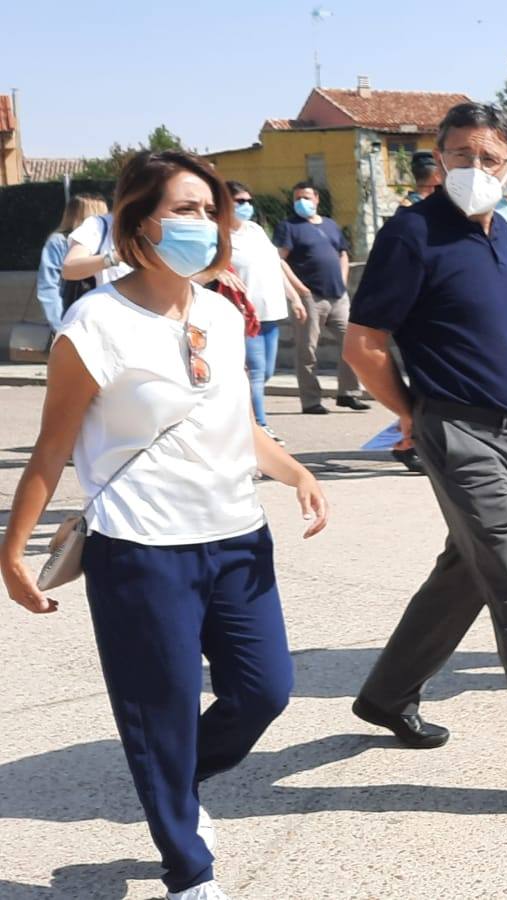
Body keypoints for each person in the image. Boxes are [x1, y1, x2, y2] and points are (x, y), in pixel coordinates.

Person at [1, 150, 329, 900]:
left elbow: (235, 422)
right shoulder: (95, 324)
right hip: (142, 550)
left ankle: (174, 784)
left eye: (210, 209)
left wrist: (298, 472)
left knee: (265, 691)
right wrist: (11, 551)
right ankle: (188, 869)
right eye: (184, 208)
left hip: (238, 538)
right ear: (137, 221)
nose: (204, 223)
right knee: (162, 711)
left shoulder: (217, 307)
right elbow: (52, 447)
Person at [342, 102, 507, 825]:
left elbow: (501, 344)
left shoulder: (498, 235)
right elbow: (363, 344)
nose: (470, 168)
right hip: (459, 433)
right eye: (457, 154)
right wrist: (411, 415)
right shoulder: (412, 234)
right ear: (437, 159)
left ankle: (387, 694)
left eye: (486, 157)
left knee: (463, 573)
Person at [273, 181, 367, 415]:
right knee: (307, 350)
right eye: (297, 199)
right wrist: (300, 290)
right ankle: (311, 401)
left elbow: (343, 254)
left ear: (316, 199)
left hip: (338, 296)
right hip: (310, 297)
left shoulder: (331, 225)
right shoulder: (288, 227)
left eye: (305, 197)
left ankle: (348, 393)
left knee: (352, 345)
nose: (301, 202)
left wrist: (343, 279)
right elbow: (280, 260)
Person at [226, 181, 308, 443]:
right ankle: (259, 426)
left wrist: (294, 297)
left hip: (271, 312)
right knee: (257, 370)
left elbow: (276, 265)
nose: (246, 206)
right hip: (245, 315)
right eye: (239, 202)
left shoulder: (256, 231)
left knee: (267, 372)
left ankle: (240, 417)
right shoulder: (220, 236)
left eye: (249, 201)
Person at [35, 193, 108, 332]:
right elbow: (48, 286)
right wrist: (61, 327)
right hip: (72, 321)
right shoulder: (59, 242)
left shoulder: (106, 243)